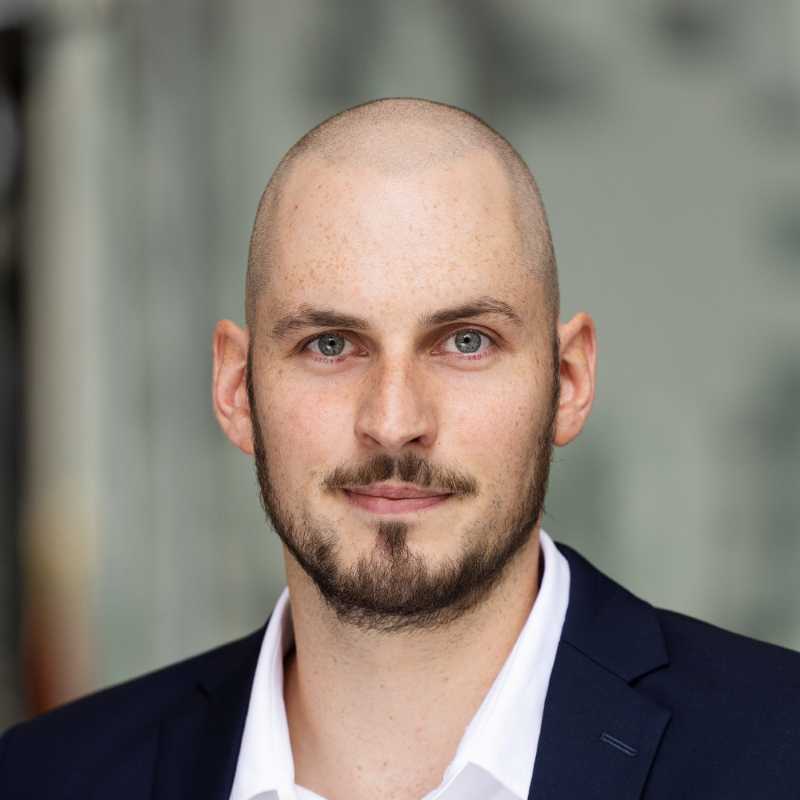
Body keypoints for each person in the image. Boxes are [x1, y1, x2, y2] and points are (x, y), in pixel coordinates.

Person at [1, 97, 798, 799]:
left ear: (568, 380)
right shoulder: (43, 780)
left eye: (465, 341)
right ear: (237, 389)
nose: (392, 421)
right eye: (330, 345)